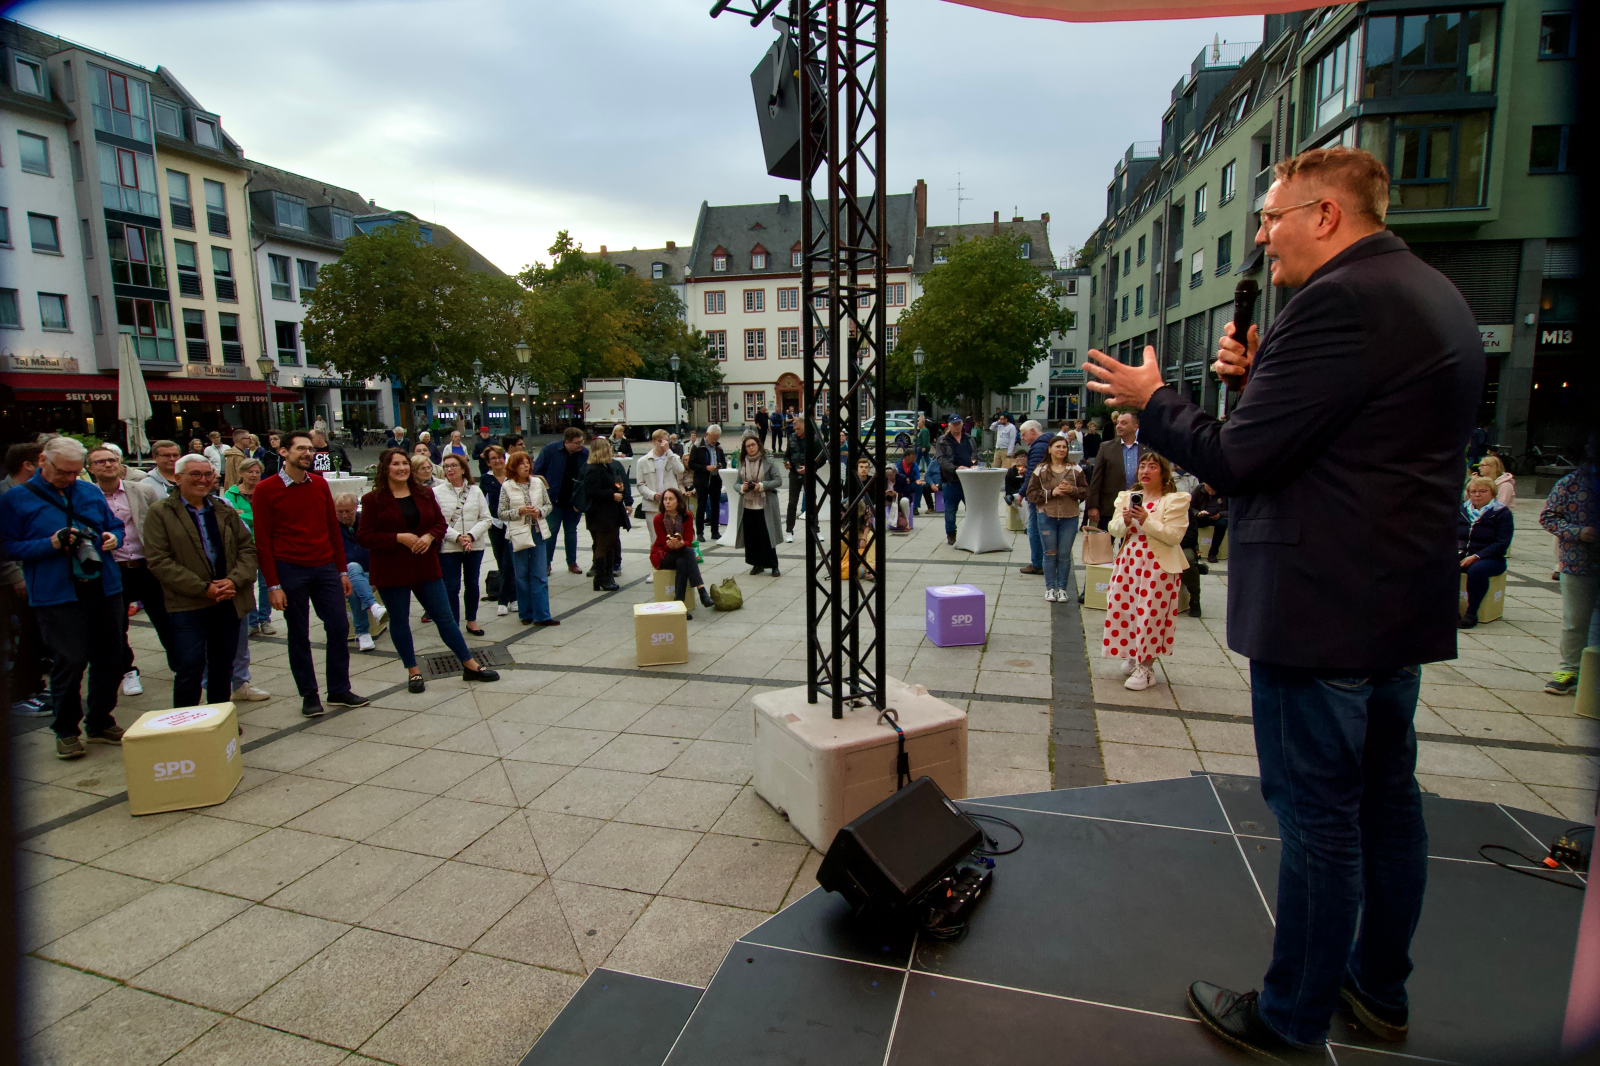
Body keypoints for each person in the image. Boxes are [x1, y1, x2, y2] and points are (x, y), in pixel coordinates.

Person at [1084, 146, 1484, 1058]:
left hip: (1321, 610)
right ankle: (1379, 989)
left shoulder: (1337, 303)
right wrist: (1261, 380)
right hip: (1392, 605)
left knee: (1319, 818)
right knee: (1387, 803)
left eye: (1272, 218)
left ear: (1328, 216)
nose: (1261, 239)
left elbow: (1241, 461)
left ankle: (1292, 1016)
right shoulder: (1433, 295)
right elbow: (1352, 443)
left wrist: (1156, 400)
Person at [0, 436, 126, 759]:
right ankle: (66, 729)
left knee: (112, 657)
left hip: (102, 586)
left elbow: (114, 525)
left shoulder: (88, 490)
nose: (70, 479)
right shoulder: (16, 499)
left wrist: (113, 537)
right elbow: (8, 545)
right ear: (43, 461)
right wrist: (50, 544)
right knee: (69, 661)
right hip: (56, 593)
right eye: (63, 472)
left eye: (75, 472)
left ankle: (100, 719)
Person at [357, 449, 500, 693]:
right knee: (400, 620)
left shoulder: (424, 493)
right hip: (392, 568)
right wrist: (398, 538)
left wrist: (429, 536)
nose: (401, 468)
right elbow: (364, 536)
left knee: (445, 617)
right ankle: (413, 671)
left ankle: (470, 664)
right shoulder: (373, 500)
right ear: (385, 468)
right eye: (396, 464)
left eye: (404, 463)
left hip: (425, 564)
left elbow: (439, 523)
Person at [255, 429, 369, 718]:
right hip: (290, 570)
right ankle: (309, 694)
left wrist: (342, 571)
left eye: (310, 449)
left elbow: (333, 530)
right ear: (284, 452)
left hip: (324, 567)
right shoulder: (266, 490)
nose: (308, 454)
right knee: (298, 633)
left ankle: (339, 689)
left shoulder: (319, 485)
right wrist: (272, 585)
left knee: (339, 627)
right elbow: (263, 541)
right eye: (301, 449)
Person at [142, 454, 257, 708]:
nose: (202, 480)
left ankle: (219, 718)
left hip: (227, 600)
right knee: (189, 666)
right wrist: (203, 588)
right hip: (187, 604)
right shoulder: (160, 513)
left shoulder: (222, 508)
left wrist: (234, 581)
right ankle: (186, 724)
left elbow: (247, 548)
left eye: (207, 475)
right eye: (195, 474)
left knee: (222, 665)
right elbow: (159, 560)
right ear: (178, 478)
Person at [87, 445, 171, 697]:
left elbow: (161, 524)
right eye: (99, 462)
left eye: (112, 460)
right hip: (112, 569)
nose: (107, 465)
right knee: (115, 626)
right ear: (89, 469)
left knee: (167, 620)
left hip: (146, 566)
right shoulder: (86, 495)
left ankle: (183, 666)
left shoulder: (142, 490)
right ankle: (127, 671)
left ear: (121, 463)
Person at [1104, 452, 1189, 690]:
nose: (1145, 471)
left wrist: (1147, 519)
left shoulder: (1174, 500)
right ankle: (1133, 654)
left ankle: (1147, 668)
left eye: (1152, 466)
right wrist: (1127, 521)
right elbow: (1114, 528)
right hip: (1130, 562)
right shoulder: (1129, 497)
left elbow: (1174, 536)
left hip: (1157, 567)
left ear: (1163, 472)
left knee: (1151, 613)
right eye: (1142, 466)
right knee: (1126, 609)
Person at [1539, 442, 1597, 695]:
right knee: (1575, 620)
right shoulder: (1570, 483)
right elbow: (1548, 517)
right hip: (1578, 562)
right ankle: (1569, 669)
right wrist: (1578, 532)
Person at [218, 459, 275, 698]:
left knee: (266, 584)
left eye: (257, 472)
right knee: (247, 587)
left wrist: (247, 516)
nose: (254, 475)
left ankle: (265, 619)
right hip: (240, 551)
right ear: (240, 473)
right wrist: (250, 517)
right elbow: (235, 519)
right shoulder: (230, 495)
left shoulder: (263, 491)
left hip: (263, 545)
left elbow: (266, 517)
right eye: (250, 472)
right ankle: (252, 621)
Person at [0, 442, 48, 715]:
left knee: (35, 633)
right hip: (13, 581)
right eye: (42, 460)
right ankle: (19, 693)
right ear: (28, 465)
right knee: (25, 635)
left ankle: (34, 685)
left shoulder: (33, 492)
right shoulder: (6, 494)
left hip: (33, 575)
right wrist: (15, 576)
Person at [498, 450, 558, 626]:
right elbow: (501, 513)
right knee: (522, 575)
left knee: (540, 574)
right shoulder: (507, 486)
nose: (526, 466)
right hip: (518, 534)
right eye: (522, 463)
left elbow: (548, 505)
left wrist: (539, 512)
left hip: (538, 531)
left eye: (528, 463)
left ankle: (543, 615)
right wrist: (520, 511)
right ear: (514, 467)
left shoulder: (538, 482)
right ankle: (526, 612)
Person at [1024, 435, 1088, 602]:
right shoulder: (1041, 469)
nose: (1061, 450)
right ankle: (1050, 587)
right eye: (1058, 446)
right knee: (1050, 553)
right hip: (1047, 515)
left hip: (1070, 516)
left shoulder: (1076, 469)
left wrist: (1072, 490)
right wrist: (1051, 493)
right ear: (1050, 449)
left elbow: (1086, 491)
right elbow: (1030, 494)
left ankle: (1062, 588)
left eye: (1064, 447)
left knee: (1065, 554)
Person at [434, 454, 490, 635]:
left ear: (463, 467)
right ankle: (453, 623)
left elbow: (486, 518)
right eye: (446, 466)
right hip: (449, 546)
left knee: (472, 583)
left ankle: (471, 620)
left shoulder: (476, 491)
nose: (449, 469)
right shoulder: (437, 492)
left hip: (474, 546)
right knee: (451, 586)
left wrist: (471, 536)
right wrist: (458, 537)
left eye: (453, 466)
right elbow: (437, 522)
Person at [1457, 476, 1513, 630]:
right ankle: (1451, 610)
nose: (1477, 495)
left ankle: (1471, 613)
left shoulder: (1502, 513)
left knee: (1477, 570)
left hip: (1491, 558)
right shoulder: (1462, 511)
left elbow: (1502, 543)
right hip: (1463, 553)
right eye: (1473, 491)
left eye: (1482, 491)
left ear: (1492, 493)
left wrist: (1476, 557)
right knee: (1441, 564)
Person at [333, 493, 387, 651]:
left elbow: (379, 549)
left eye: (348, 511)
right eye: (340, 511)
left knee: (356, 585)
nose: (344, 515)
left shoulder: (367, 522)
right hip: (343, 574)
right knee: (353, 569)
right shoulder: (331, 527)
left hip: (370, 572)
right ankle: (373, 606)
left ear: (356, 508)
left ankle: (363, 633)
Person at [532, 426, 589, 575]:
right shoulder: (551, 449)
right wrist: (544, 488)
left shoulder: (584, 454)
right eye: (577, 442)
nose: (580, 445)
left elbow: (587, 476)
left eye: (581, 441)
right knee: (551, 532)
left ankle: (572, 562)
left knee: (571, 532)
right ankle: (546, 563)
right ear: (567, 442)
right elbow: (537, 470)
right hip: (554, 500)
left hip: (573, 502)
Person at [650, 487, 714, 617]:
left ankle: (679, 604)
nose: (667, 502)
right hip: (664, 555)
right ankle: (702, 591)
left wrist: (681, 544)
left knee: (682, 562)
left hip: (681, 552)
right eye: (665, 499)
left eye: (671, 499)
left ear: (678, 501)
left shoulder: (687, 516)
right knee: (687, 553)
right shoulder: (658, 519)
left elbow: (689, 540)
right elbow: (662, 543)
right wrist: (674, 545)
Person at [1086, 411, 1145, 532]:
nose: (1118, 426)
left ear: (1135, 427)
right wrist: (1093, 506)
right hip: (1109, 508)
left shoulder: (1147, 449)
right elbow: (1096, 479)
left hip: (1139, 507)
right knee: (1103, 547)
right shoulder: (1106, 448)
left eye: (1124, 423)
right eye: (1118, 423)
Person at [733, 434, 782, 576]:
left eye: (753, 445)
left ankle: (773, 565)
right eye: (748, 446)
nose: (751, 448)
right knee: (751, 537)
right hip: (747, 505)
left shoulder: (768, 461)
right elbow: (736, 483)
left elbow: (778, 480)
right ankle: (757, 564)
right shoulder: (743, 463)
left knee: (767, 536)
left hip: (764, 504)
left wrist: (760, 486)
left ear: (758, 445)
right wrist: (743, 488)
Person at [479, 445, 516, 619]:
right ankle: (510, 596)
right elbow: (482, 503)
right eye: (493, 458)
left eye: (500, 457)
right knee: (501, 561)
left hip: (513, 524)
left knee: (510, 562)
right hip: (495, 525)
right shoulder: (486, 480)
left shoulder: (512, 476)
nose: (497, 460)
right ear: (488, 462)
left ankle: (505, 599)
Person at [1015, 420, 1054, 575]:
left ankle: (1038, 563)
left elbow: (1033, 475)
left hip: (1037, 494)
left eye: (1024, 434)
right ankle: (1044, 562)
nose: (1023, 438)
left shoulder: (1038, 447)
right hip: (1047, 493)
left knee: (1035, 529)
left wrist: (1022, 493)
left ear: (1032, 431)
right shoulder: (1049, 442)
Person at [932, 414, 974, 545]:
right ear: (949, 425)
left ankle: (973, 533)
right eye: (954, 424)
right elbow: (940, 459)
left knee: (973, 508)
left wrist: (974, 464)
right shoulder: (942, 440)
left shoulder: (969, 438)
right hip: (951, 479)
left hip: (968, 480)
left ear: (962, 424)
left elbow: (975, 454)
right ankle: (951, 534)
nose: (957, 427)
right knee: (950, 509)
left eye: (959, 424)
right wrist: (955, 468)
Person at [635, 429, 686, 522]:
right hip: (652, 506)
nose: (664, 444)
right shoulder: (643, 461)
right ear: (654, 442)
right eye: (661, 441)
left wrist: (669, 452)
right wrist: (653, 495)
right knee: (655, 536)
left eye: (667, 441)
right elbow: (640, 484)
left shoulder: (673, 458)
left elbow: (681, 470)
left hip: (671, 505)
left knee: (672, 534)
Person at [688, 424, 728, 543]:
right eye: (713, 438)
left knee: (715, 505)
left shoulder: (718, 448)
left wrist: (720, 466)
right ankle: (700, 532)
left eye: (717, 438)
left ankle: (715, 532)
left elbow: (724, 462)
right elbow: (691, 464)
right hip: (702, 480)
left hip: (715, 479)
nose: (714, 441)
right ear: (707, 435)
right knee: (702, 505)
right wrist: (706, 468)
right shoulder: (697, 447)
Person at [785, 416, 820, 540]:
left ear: (804, 426)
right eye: (794, 428)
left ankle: (816, 529)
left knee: (812, 501)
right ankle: (789, 531)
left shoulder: (814, 439)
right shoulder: (792, 438)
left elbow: (821, 458)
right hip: (794, 473)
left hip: (808, 474)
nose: (796, 430)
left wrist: (809, 468)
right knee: (792, 502)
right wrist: (787, 463)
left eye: (798, 428)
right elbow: (787, 455)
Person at [891, 453, 922, 531]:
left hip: (910, 482)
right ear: (906, 457)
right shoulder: (899, 464)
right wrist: (904, 479)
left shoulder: (914, 465)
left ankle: (916, 506)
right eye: (912, 457)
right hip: (902, 482)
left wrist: (917, 480)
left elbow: (917, 474)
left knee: (919, 487)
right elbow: (898, 475)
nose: (914, 459)